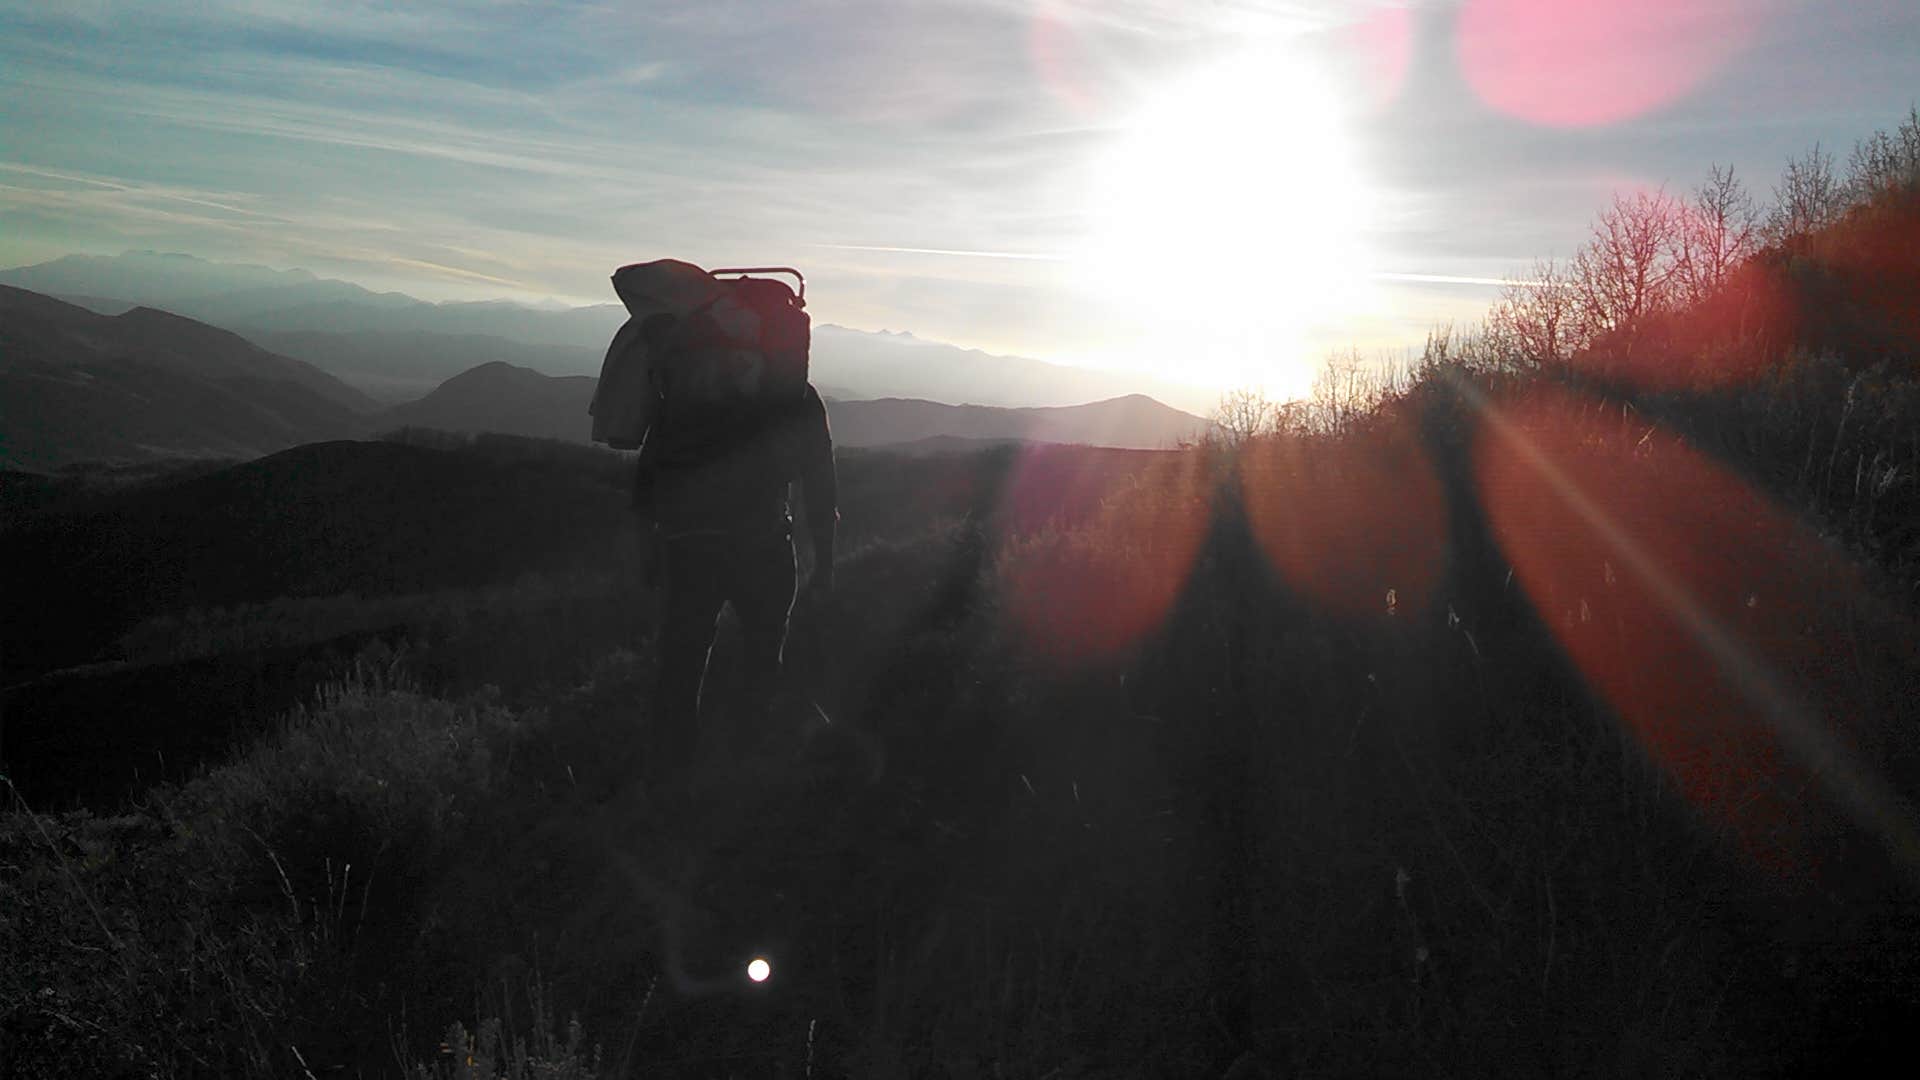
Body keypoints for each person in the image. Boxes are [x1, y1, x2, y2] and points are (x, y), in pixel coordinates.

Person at [632, 357, 838, 783]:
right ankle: (743, 771)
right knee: (762, 661)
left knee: (680, 665)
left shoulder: (688, 384)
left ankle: (669, 780)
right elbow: (820, 485)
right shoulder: (796, 394)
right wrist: (824, 561)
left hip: (689, 545)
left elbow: (649, 472)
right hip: (765, 545)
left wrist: (650, 547)